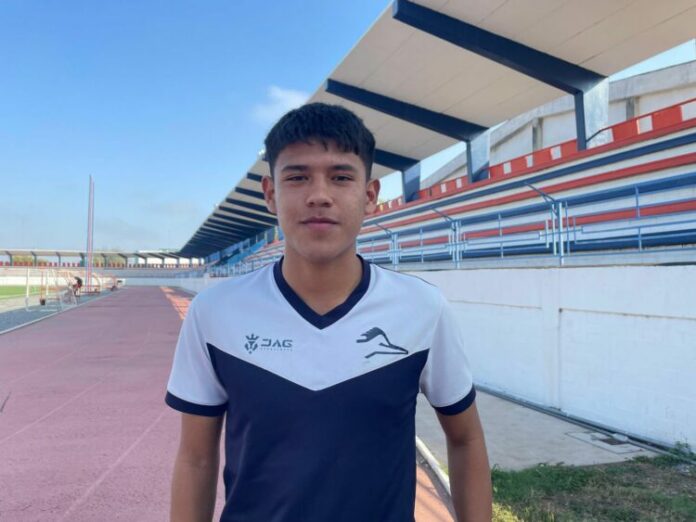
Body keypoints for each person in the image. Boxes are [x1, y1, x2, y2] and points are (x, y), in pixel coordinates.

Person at [165, 103, 492, 521]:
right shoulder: (215, 313)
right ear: (270, 193)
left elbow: (466, 439)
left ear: (370, 196)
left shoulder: (422, 308)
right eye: (297, 177)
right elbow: (195, 459)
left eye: (340, 177)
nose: (319, 195)